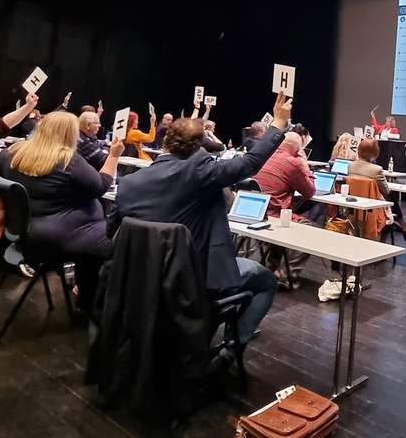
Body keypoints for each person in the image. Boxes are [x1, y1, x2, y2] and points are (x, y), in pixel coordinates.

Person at [112, 92, 292, 369]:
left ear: (166, 142)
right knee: (265, 280)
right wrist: (278, 123)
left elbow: (111, 235)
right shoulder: (201, 175)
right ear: (198, 147)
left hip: (140, 282)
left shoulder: (128, 184)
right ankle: (228, 352)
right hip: (193, 282)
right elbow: (250, 162)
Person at [0, 112, 124, 313]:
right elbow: (101, 186)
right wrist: (113, 156)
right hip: (64, 236)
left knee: (98, 243)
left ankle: (85, 292)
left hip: (25, 232)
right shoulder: (68, 160)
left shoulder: (13, 152)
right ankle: (91, 301)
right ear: (70, 134)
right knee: (118, 240)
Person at [253, 132, 316, 285]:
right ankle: (285, 275)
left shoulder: (264, 156)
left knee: (287, 216)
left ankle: (271, 264)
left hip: (254, 212)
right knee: (311, 230)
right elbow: (310, 192)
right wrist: (304, 164)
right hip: (273, 216)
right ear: (298, 150)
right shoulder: (293, 163)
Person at [351, 138, 406, 238]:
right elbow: (386, 191)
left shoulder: (350, 166)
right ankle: (401, 222)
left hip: (353, 205)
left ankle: (402, 223)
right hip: (373, 207)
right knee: (392, 195)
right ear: (375, 153)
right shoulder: (377, 170)